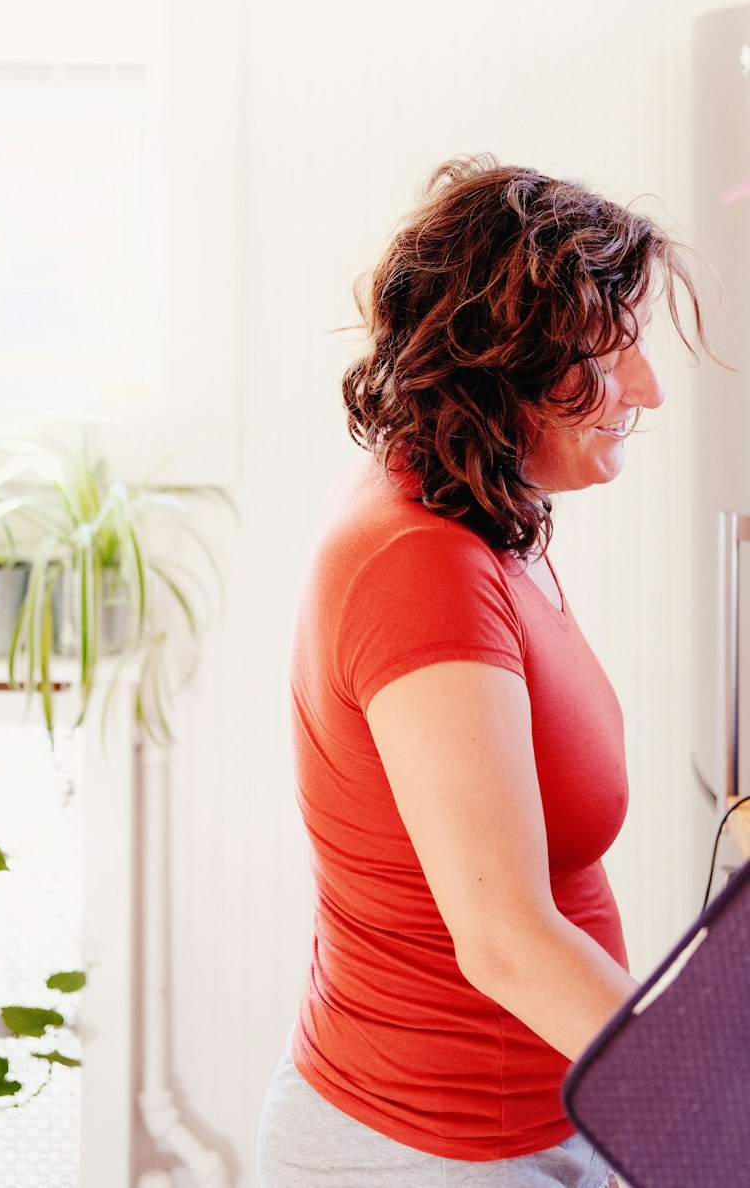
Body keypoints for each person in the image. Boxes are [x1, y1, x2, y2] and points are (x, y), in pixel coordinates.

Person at [258, 156, 705, 1188]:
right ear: (499, 362)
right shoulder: (421, 561)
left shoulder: (482, 503)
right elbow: (502, 937)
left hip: (527, 1117)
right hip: (431, 1149)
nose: (647, 390)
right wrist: (709, 1115)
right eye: (612, 355)